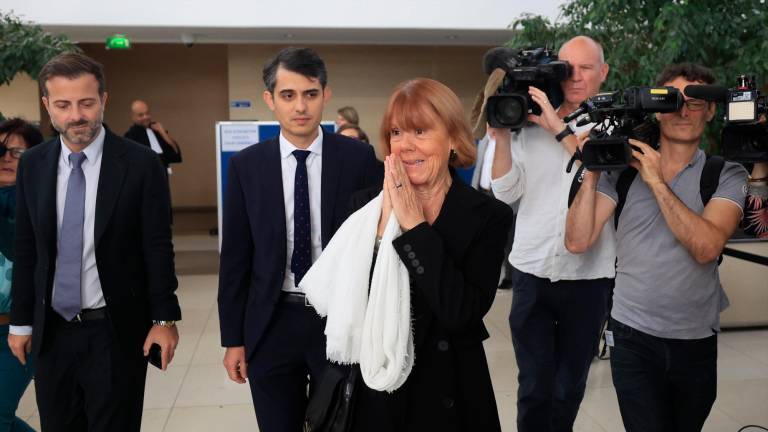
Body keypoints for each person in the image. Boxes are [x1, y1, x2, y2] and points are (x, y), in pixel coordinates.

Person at [565, 63, 748, 432]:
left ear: (711, 111)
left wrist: (657, 181)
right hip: (632, 334)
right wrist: (594, 169)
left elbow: (706, 247)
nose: (683, 111)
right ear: (656, 109)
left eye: (696, 102)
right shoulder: (624, 171)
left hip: (695, 338)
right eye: (672, 100)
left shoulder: (725, 174)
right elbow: (577, 241)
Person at [8, 53, 181, 432]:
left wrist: (165, 318)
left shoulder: (140, 164)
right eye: (63, 105)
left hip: (115, 331)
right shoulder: (34, 164)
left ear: (103, 99)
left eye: (86, 103)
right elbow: (27, 249)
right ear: (47, 106)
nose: (76, 116)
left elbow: (157, 246)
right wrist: (21, 323)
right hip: (52, 333)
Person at [334, 78, 514, 431]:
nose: (404, 146)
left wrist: (414, 227)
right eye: (396, 133)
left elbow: (461, 312)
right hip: (379, 385)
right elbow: (351, 302)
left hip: (451, 390)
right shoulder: (366, 207)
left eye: (419, 131)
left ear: (452, 139)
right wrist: (383, 227)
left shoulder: (488, 215)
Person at [217, 47, 382, 432]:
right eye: (288, 96)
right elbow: (236, 258)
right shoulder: (247, 166)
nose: (300, 107)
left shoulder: (357, 159)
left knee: (340, 423)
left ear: (325, 94)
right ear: (270, 100)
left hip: (338, 320)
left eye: (310, 94)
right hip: (271, 320)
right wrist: (234, 338)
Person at [489, 35, 616, 431]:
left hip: (588, 278)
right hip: (531, 271)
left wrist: (556, 127)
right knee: (534, 385)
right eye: (567, 68)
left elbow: (597, 163)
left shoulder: (615, 123)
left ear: (603, 72)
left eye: (586, 68)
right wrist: (503, 136)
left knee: (568, 385)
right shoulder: (528, 122)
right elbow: (505, 191)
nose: (575, 77)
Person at [0, 118, 43, 432]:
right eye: (0, 151)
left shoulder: (39, 204)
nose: (6, 159)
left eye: (17, 152)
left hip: (16, 334)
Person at [124, 100, 182, 170]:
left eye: (147, 113)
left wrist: (162, 132)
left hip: (162, 174)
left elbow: (175, 152)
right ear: (133, 117)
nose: (145, 117)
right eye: (140, 115)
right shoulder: (129, 137)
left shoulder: (157, 130)